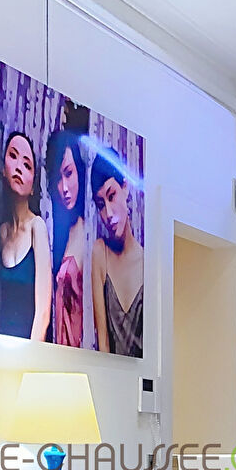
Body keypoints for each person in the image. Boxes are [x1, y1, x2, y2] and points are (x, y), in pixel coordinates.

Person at [0, 130, 53, 341]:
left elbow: (43, 315)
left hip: (29, 351)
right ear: (3, 170)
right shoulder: (0, 232)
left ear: (33, 186)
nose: (19, 167)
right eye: (13, 156)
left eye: (27, 165)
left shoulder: (37, 228)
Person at [90, 150, 144, 357]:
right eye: (101, 205)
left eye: (112, 196)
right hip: (109, 372)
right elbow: (102, 343)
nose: (109, 214)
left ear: (125, 187)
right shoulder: (100, 252)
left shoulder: (147, 262)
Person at [46, 125, 88, 347]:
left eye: (69, 173)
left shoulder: (90, 234)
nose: (64, 188)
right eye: (57, 178)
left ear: (79, 171)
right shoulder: (58, 235)